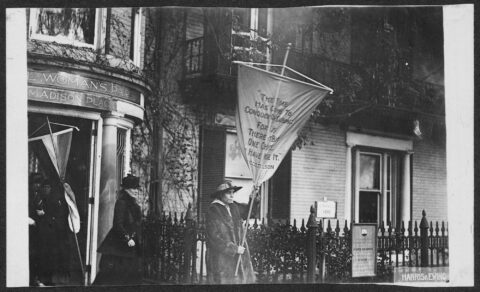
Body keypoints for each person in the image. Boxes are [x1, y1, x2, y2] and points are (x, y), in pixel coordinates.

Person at [206, 180, 260, 284]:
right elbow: (214, 237)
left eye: (233, 193)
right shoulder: (213, 210)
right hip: (222, 259)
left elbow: (250, 213)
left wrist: (253, 197)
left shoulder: (233, 206)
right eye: (228, 193)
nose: (232, 196)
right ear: (221, 195)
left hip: (239, 256)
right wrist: (234, 249)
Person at [95, 174, 143, 285]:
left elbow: (136, 225)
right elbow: (118, 225)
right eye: (133, 188)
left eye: (137, 188)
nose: (136, 191)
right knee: (113, 278)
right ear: (126, 189)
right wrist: (127, 239)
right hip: (119, 248)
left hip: (131, 248)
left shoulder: (135, 205)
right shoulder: (121, 203)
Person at [36, 179, 70, 286]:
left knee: (49, 258)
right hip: (45, 234)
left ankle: (48, 280)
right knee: (45, 257)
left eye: (47, 187)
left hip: (52, 234)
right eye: (44, 187)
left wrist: (43, 215)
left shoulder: (55, 200)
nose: (45, 189)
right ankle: (45, 279)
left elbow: (56, 218)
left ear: (51, 188)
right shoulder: (43, 198)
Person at [28, 173, 44, 286]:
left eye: (39, 183)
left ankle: (36, 278)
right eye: (35, 183)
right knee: (31, 254)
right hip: (29, 229)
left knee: (38, 254)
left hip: (38, 229)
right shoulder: (27, 195)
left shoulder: (40, 196)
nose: (37, 185)